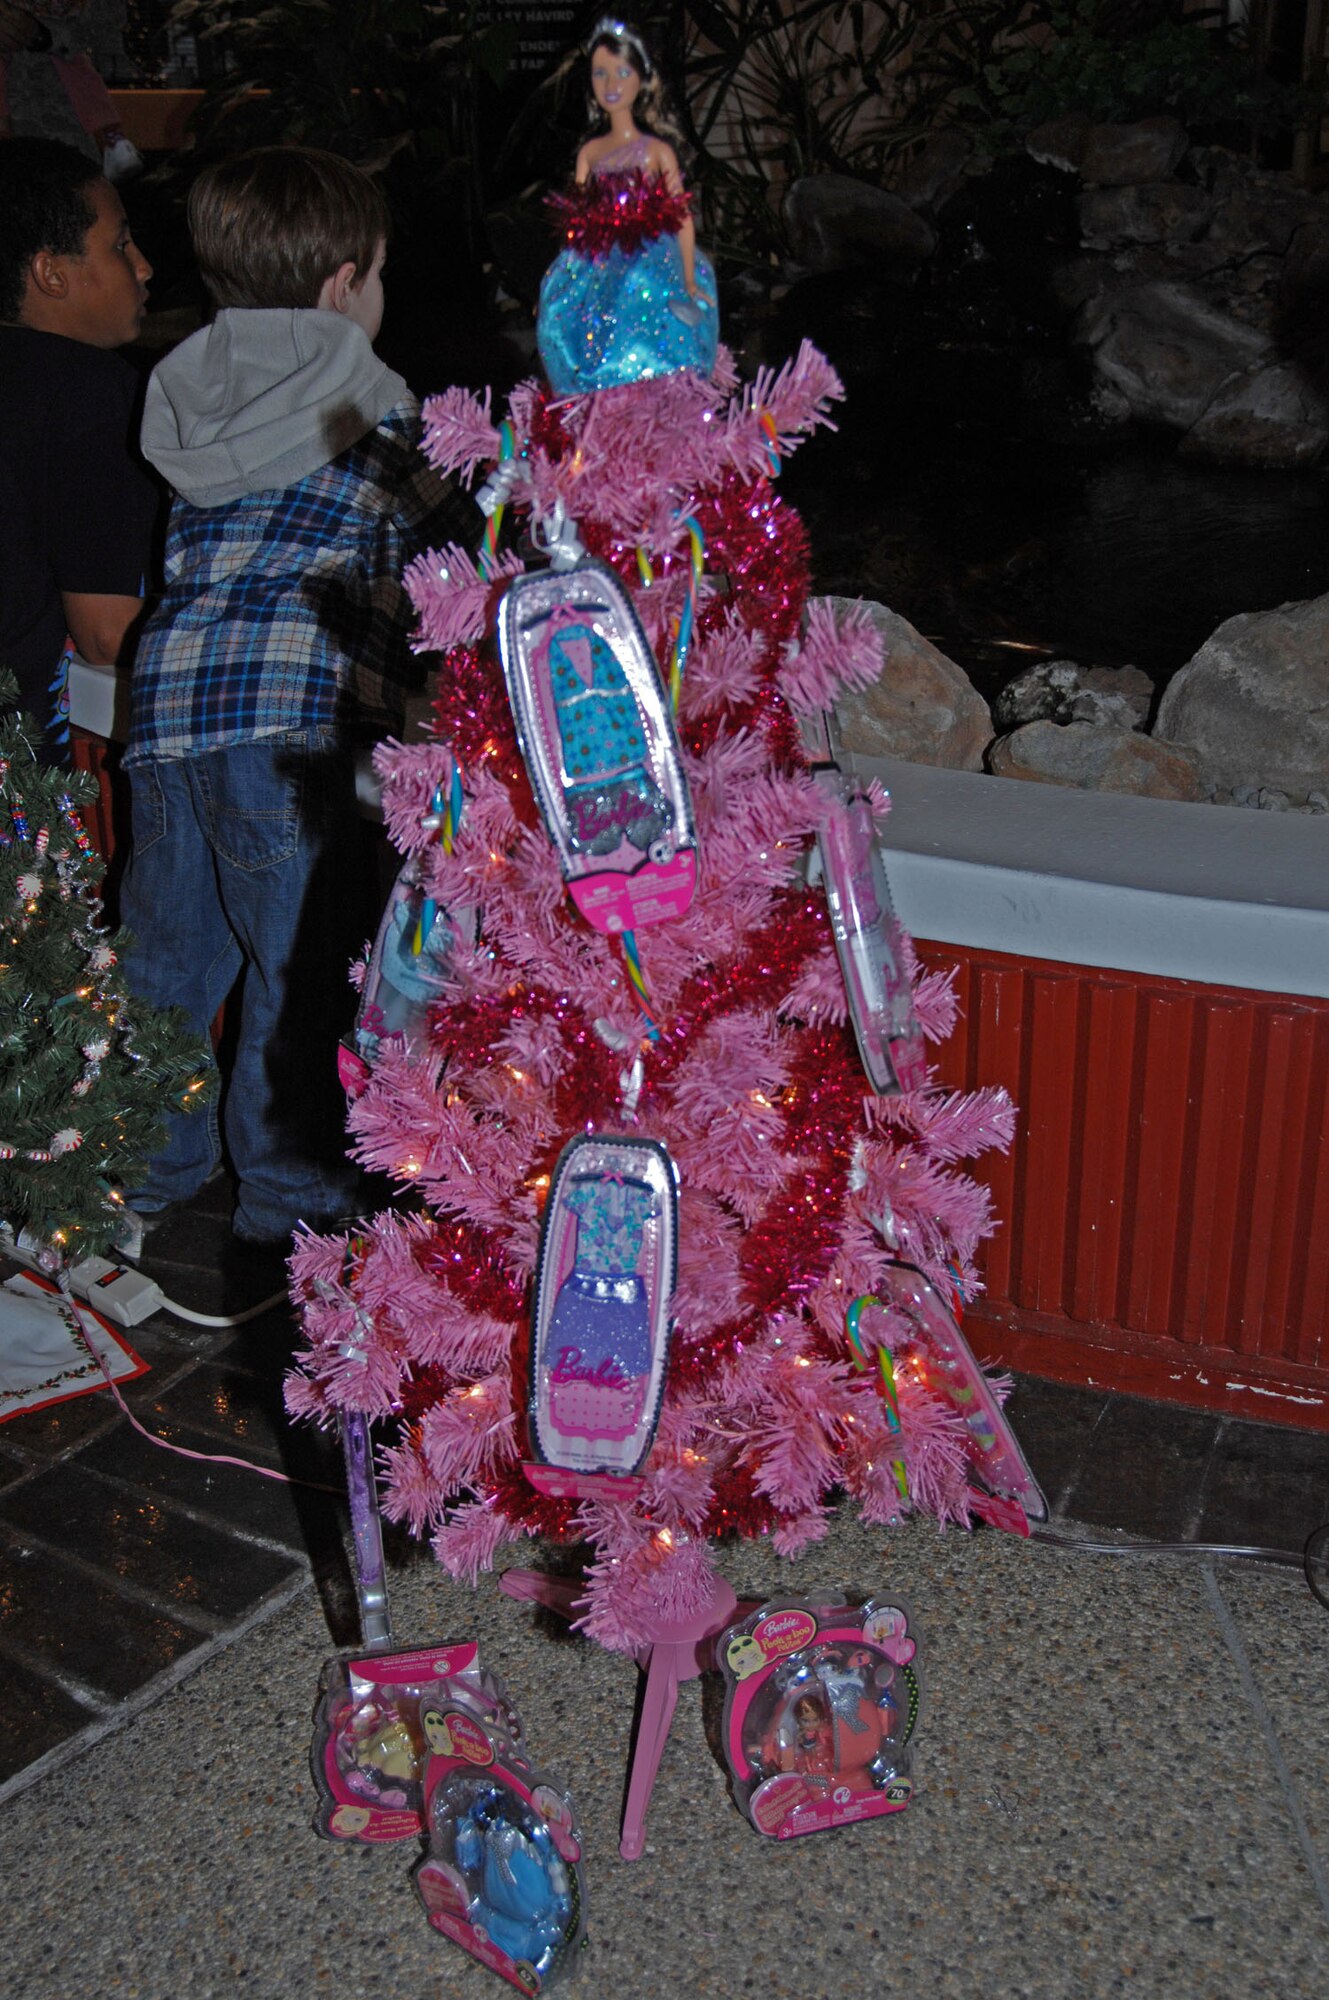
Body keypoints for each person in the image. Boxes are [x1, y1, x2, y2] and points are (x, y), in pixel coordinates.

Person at [120, 145, 474, 1246]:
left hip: (168, 711)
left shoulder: (191, 392)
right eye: (374, 275)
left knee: (166, 961)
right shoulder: (372, 405)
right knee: (301, 970)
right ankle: (288, 1197)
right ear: (339, 282)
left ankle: (133, 1173)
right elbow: (450, 561)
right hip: (293, 723)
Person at [0, 133, 155, 762]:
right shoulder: (87, 391)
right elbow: (107, 632)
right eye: (119, 245)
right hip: (23, 780)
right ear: (50, 273)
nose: (143, 266)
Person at [537, 16, 718, 396]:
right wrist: (560, 282)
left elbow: (681, 217)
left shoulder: (656, 151)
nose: (611, 85)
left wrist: (687, 278)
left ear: (643, 78)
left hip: (652, 260)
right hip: (598, 264)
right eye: (600, 74)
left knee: (653, 332)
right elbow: (577, 225)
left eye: (621, 72)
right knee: (593, 341)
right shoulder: (591, 152)